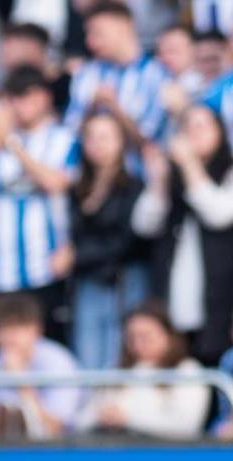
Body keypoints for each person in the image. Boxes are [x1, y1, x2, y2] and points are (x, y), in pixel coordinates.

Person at [0, 66, 77, 342]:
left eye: (27, 97)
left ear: (45, 98)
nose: (20, 106)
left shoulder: (62, 139)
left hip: (43, 265)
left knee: (45, 344)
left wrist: (11, 144)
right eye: (14, 98)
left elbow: (54, 183)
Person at [133, 104, 233, 365]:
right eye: (188, 126)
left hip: (220, 297)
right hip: (175, 295)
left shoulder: (228, 170)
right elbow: (144, 224)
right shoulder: (170, 175)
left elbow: (219, 213)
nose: (194, 133)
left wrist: (189, 164)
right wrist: (158, 181)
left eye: (202, 125)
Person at [69, 113, 147, 370]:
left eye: (105, 137)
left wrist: (78, 255)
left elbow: (128, 239)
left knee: (120, 351)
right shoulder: (78, 188)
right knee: (87, 352)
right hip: (89, 281)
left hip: (124, 279)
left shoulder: (133, 186)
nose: (97, 144)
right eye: (90, 138)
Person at [75, 302, 211, 439]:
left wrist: (128, 418)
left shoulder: (186, 370)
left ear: (168, 335)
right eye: (131, 337)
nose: (138, 344)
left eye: (146, 336)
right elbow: (80, 420)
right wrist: (101, 417)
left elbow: (186, 425)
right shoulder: (116, 370)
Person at [0, 294, 81, 440]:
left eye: (18, 328)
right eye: (4, 328)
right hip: (0, 453)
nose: (10, 336)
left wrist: (21, 383)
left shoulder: (58, 362)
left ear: (36, 329)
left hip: (59, 452)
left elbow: (56, 428)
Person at [64, 3, 169, 150]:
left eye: (98, 33)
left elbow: (150, 143)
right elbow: (71, 134)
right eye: (87, 34)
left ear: (125, 27)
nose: (89, 42)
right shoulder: (86, 74)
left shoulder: (157, 74)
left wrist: (115, 108)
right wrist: (92, 108)